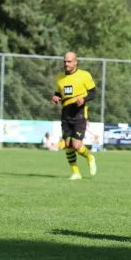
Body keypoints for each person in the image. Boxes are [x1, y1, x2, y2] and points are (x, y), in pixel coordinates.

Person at [51, 52, 97, 180]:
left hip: (79, 114)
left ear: (75, 62)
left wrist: (84, 99)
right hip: (65, 114)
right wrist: (56, 98)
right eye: (65, 61)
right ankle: (76, 173)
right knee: (67, 145)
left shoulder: (84, 75)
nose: (66, 64)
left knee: (76, 145)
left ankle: (89, 157)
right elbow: (58, 94)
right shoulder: (60, 78)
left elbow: (93, 93)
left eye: (69, 61)